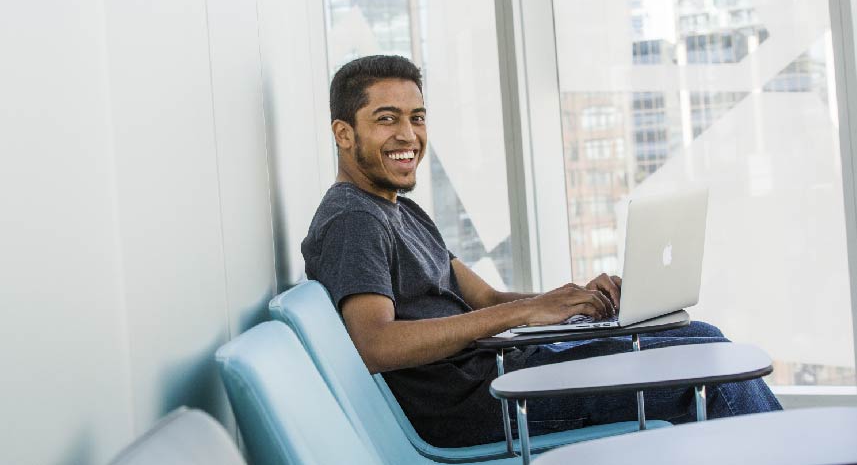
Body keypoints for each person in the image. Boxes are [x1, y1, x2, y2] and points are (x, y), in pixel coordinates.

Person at [301, 55, 781, 447]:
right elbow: (374, 345)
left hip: (514, 371)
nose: (408, 135)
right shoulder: (353, 220)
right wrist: (531, 312)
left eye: (417, 117)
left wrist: (570, 302)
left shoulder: (399, 211)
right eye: (386, 120)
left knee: (705, 336)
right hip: (487, 404)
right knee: (718, 379)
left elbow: (485, 299)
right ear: (344, 133)